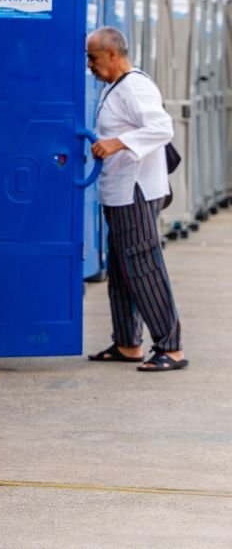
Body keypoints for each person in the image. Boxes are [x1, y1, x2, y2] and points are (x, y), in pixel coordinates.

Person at [85, 26, 188, 372]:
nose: (90, 65)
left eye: (94, 58)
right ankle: (127, 343)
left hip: (136, 192)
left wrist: (116, 143)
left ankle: (170, 347)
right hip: (119, 192)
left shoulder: (136, 86)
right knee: (120, 269)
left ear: (113, 54)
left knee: (143, 268)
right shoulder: (115, 87)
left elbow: (162, 128)